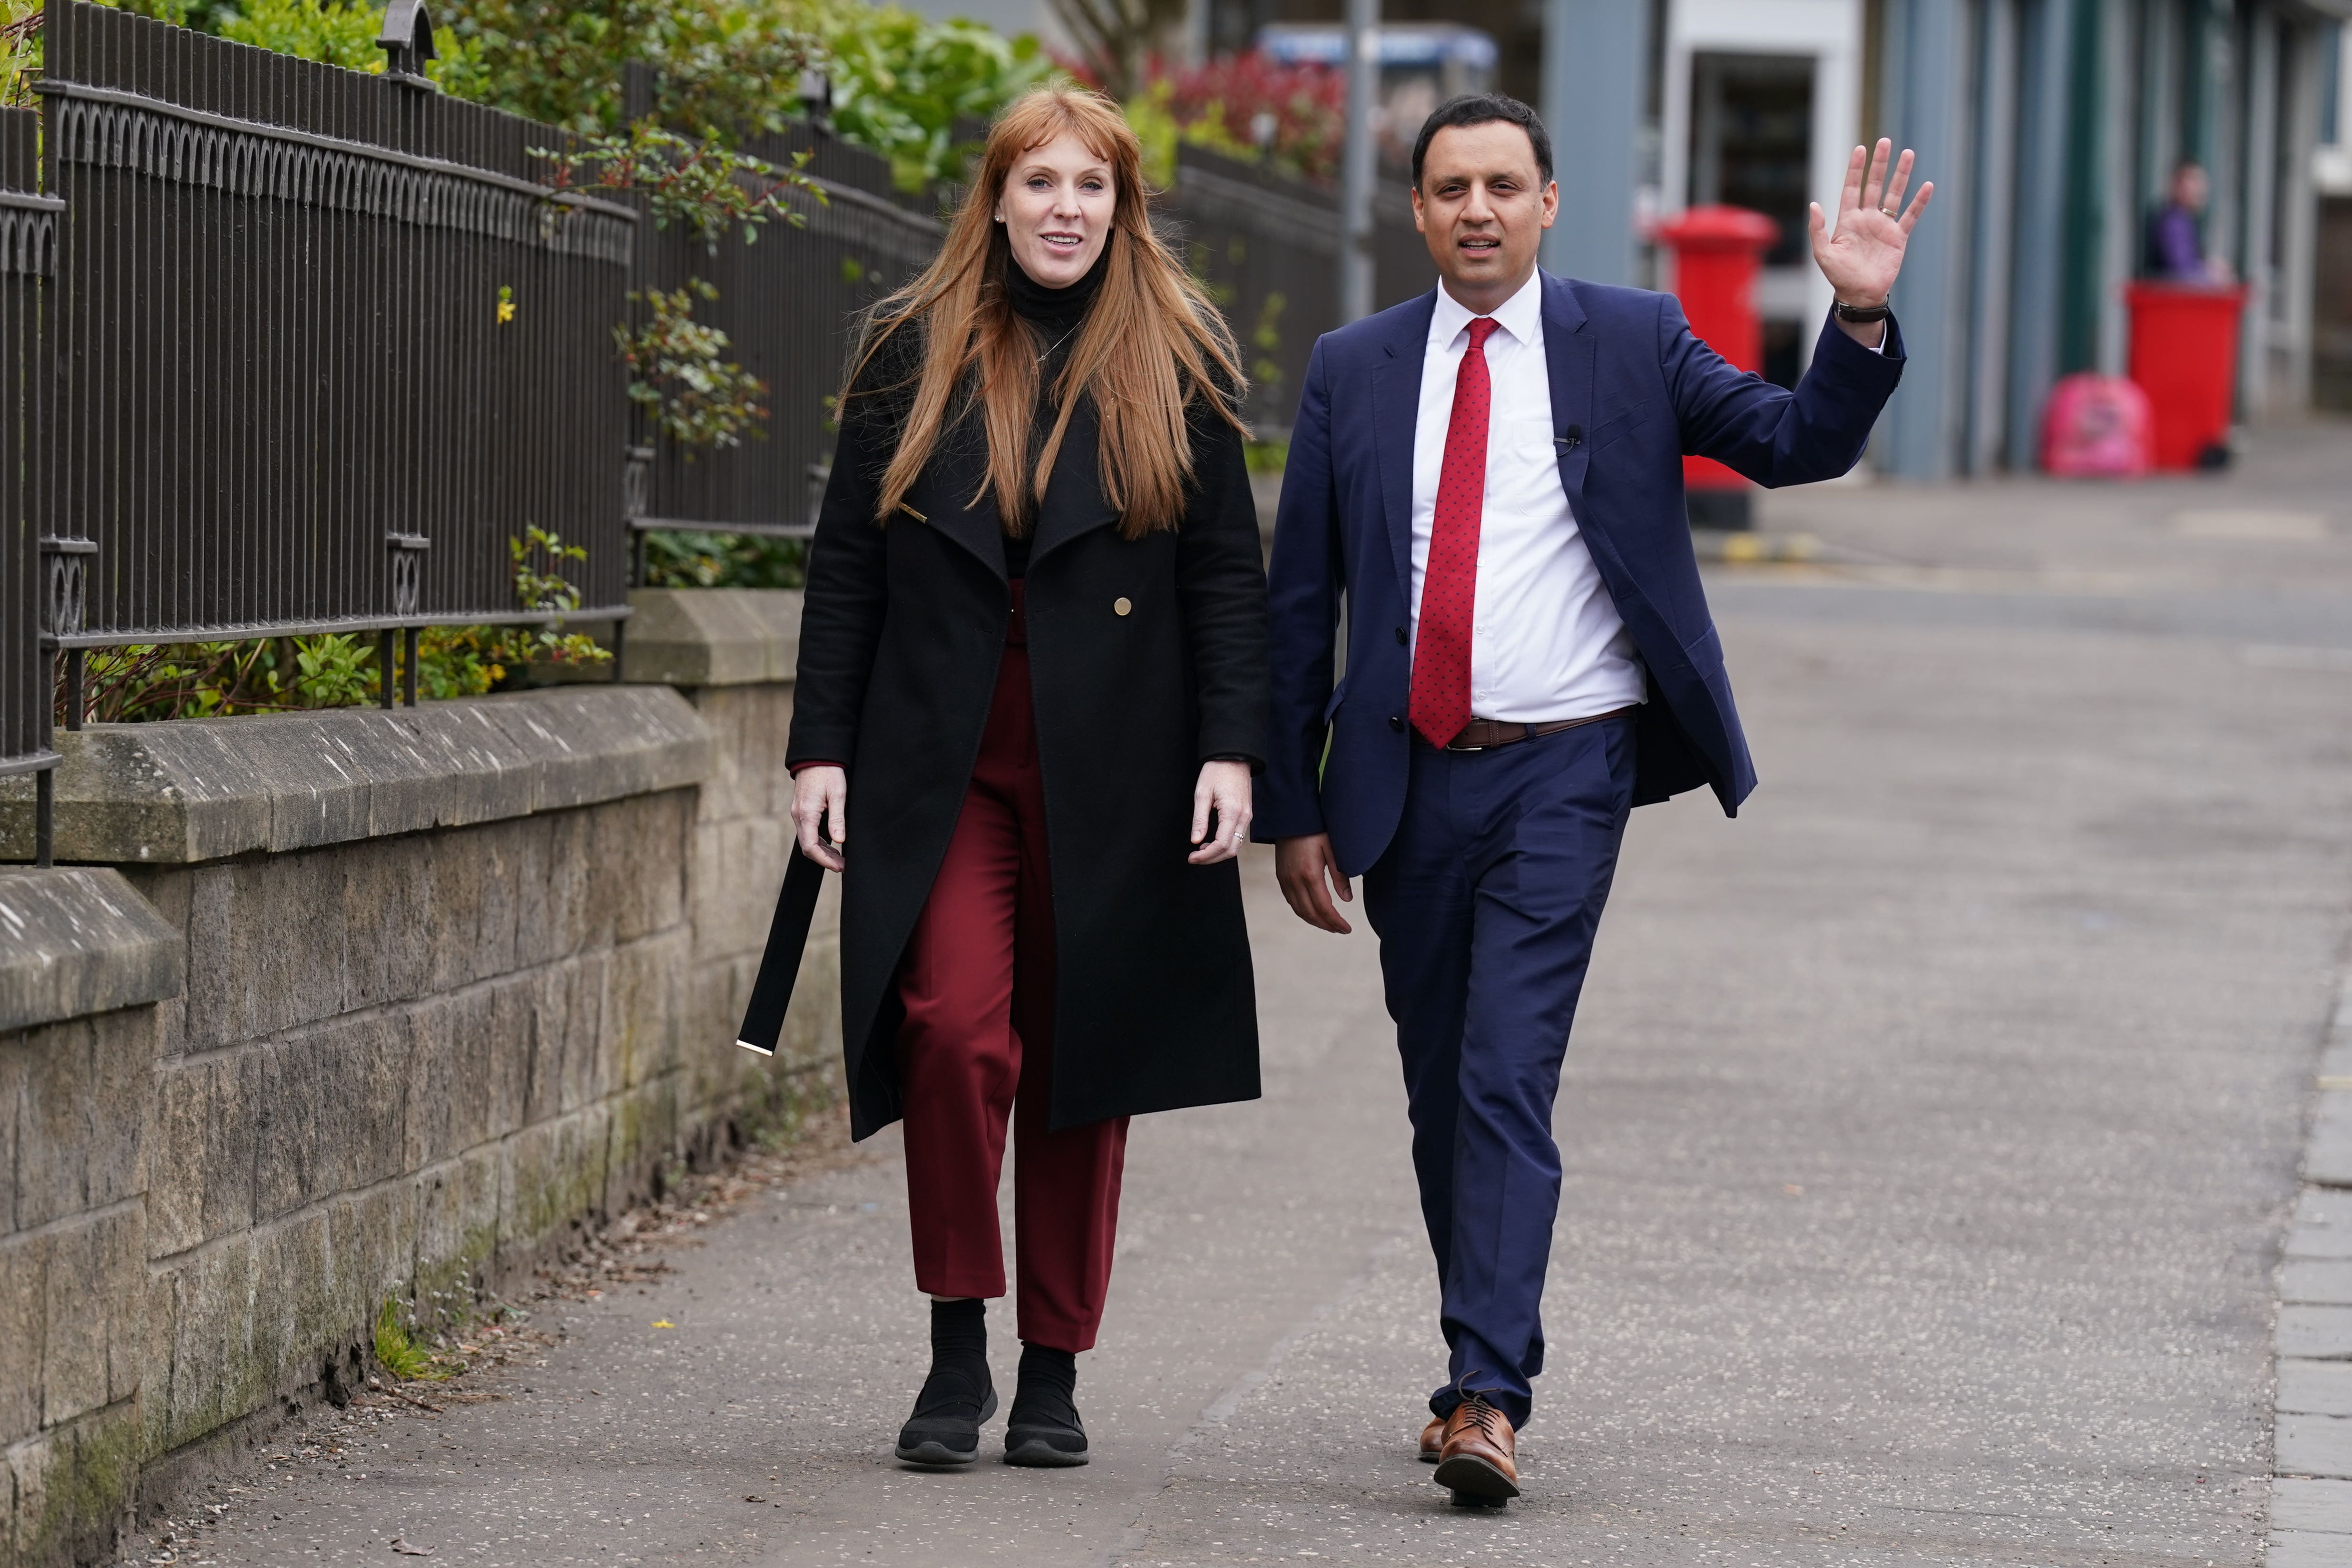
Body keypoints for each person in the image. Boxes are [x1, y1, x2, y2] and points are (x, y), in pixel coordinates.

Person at [1257, 94, 1930, 1505]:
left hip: (1566, 766)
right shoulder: (1352, 368)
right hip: (1405, 772)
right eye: (1451, 189)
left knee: (1507, 1069)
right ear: (1421, 209)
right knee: (1444, 1085)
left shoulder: (1627, 341)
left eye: (1505, 184)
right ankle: (1469, 1367)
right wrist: (1290, 804)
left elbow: (1793, 441)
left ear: (1549, 202)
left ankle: (1490, 1393)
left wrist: (1854, 318)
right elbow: (1296, 604)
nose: (1478, 210)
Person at [782, 87, 1268, 1470]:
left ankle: (1053, 1365)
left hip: (1115, 755)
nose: (1065, 207)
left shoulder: (1181, 356)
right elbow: (845, 567)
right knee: (950, 1026)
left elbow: (1229, 575)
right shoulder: (909, 347)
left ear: (1124, 208)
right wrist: (821, 747)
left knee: (1082, 1058)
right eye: (1039, 182)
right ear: (994, 199)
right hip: (943, 757)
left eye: (1092, 186)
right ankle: (957, 1339)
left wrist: (1232, 748)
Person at [2145, 159, 2231, 282]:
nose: (2200, 190)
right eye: (2193, 183)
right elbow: (2181, 272)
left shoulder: (2184, 220)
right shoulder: (2173, 223)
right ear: (2177, 186)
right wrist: (2210, 275)